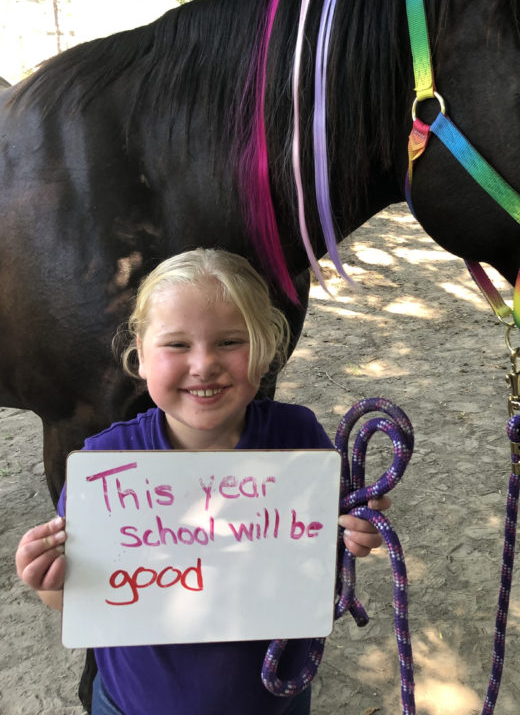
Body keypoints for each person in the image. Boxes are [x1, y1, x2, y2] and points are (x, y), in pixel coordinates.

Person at [15, 248, 390, 715]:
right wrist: (46, 580)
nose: (203, 364)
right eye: (176, 345)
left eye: (230, 342)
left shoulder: (299, 441)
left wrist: (355, 532)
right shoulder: (107, 467)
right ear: (141, 353)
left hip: (273, 700)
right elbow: (79, 603)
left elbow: (323, 551)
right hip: (132, 706)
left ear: (268, 346)